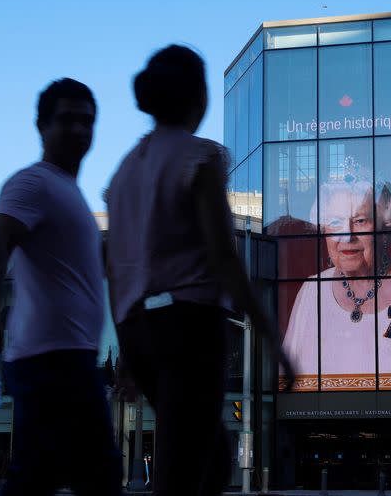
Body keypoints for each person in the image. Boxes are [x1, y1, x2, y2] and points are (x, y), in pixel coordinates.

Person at [105, 45, 294, 496]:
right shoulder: (198, 158)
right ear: (198, 98)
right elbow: (223, 256)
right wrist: (268, 330)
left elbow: (120, 268)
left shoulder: (125, 173)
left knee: (208, 452)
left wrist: (129, 355)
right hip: (189, 325)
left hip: (137, 328)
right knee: (184, 464)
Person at [0, 78, 122, 496]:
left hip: (67, 356)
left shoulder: (70, 195)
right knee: (96, 476)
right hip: (50, 358)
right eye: (67, 120)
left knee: (41, 476)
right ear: (41, 126)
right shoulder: (32, 184)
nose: (78, 129)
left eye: (87, 121)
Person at [282, 168, 391, 389]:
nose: (347, 235)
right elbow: (285, 381)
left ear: (383, 227)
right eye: (335, 221)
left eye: (360, 221)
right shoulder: (311, 291)